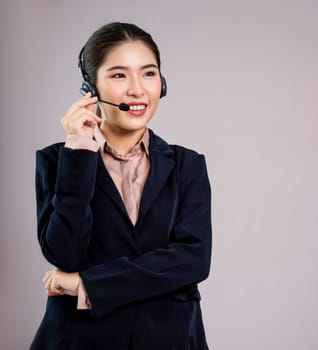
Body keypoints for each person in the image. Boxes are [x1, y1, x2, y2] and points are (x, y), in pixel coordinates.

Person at [30, 22, 212, 350]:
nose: (137, 90)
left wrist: (87, 284)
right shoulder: (59, 162)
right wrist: (80, 152)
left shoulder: (188, 165)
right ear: (90, 87)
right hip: (80, 340)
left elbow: (193, 260)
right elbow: (65, 255)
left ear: (162, 83)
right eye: (118, 75)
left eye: (148, 73)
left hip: (169, 340)